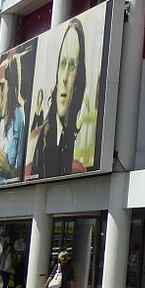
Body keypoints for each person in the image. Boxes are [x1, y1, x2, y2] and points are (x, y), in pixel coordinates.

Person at [31, 19, 87, 179]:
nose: (65, 78)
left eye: (72, 66)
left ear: (79, 77)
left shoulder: (76, 137)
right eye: (63, 64)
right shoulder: (43, 136)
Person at [0, 59, 26, 186]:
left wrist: (9, 172)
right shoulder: (0, 129)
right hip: (2, 187)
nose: (4, 87)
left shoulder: (18, 113)